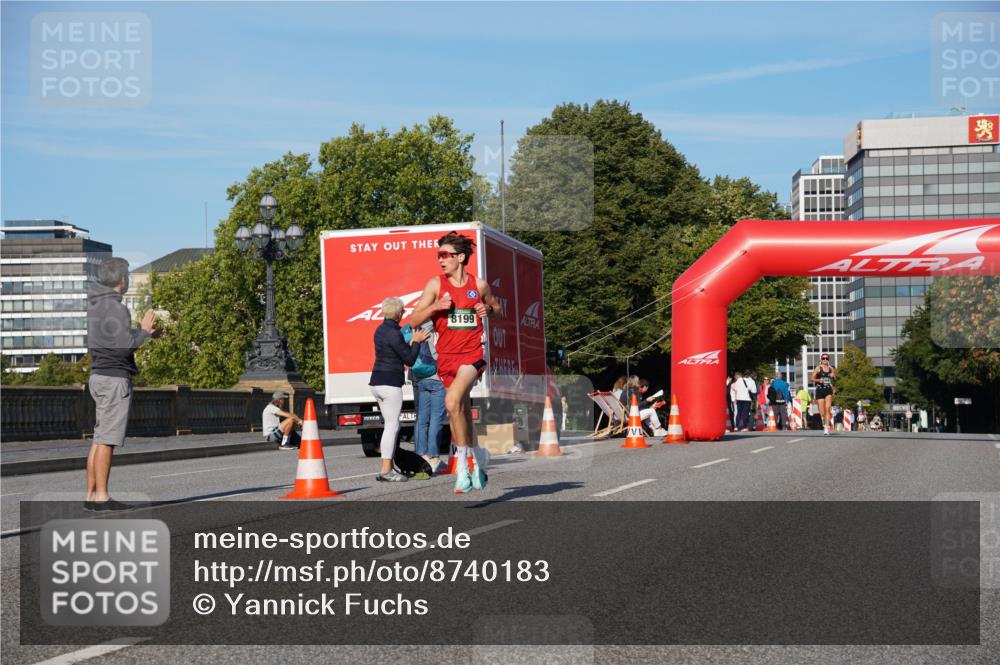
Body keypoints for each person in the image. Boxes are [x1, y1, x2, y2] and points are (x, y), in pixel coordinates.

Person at [410, 232, 500, 493]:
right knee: (459, 409)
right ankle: (478, 457)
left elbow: (495, 307)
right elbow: (414, 320)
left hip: (473, 354)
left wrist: (488, 310)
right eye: (438, 256)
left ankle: (461, 465)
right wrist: (435, 306)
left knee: (451, 402)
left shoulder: (478, 285)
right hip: (446, 357)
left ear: (460, 258)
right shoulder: (435, 285)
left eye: (445, 255)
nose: (440, 260)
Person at [85, 257, 159, 512]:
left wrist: (140, 333)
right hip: (114, 378)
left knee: (98, 439)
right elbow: (124, 347)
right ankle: (103, 497)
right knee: (107, 440)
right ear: (122, 279)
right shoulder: (116, 307)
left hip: (98, 375)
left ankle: (92, 495)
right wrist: (146, 332)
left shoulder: (96, 305)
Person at [369, 297, 430, 482]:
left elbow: (394, 351)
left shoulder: (380, 330)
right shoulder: (394, 333)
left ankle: (388, 467)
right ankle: (386, 470)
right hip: (390, 383)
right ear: (400, 313)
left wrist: (410, 341)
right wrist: (417, 341)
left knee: (390, 425)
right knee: (392, 426)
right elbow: (409, 359)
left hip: (376, 382)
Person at [408, 321, 447, 474]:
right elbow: (439, 353)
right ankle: (434, 457)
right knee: (436, 418)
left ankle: (421, 455)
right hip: (436, 378)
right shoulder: (437, 330)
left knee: (422, 419)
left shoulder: (416, 332)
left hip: (421, 379)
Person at [811, 353, 837, 435]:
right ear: (821, 359)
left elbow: (834, 379)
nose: (825, 359)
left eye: (826, 358)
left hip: (828, 390)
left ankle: (826, 427)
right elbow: (811, 378)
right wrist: (819, 380)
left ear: (828, 359)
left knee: (827, 408)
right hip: (820, 390)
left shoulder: (831, 368)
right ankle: (824, 419)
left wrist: (833, 376)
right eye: (823, 358)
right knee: (822, 411)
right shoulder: (818, 368)